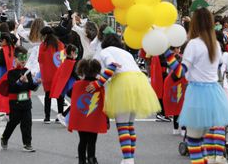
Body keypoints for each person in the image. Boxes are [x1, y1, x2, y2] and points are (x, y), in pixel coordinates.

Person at [163, 8, 228, 164]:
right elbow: (216, 66)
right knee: (211, 139)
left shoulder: (193, 44)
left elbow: (179, 73)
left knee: (194, 141)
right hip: (215, 93)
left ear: (194, 23)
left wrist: (168, 54)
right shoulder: (216, 45)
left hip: (197, 93)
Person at [86, 34, 160, 164]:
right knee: (130, 126)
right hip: (139, 82)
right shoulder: (126, 53)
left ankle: (128, 159)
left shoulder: (105, 51)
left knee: (122, 126)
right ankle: (129, 158)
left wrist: (97, 84)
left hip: (123, 83)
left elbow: (112, 66)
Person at [0, 46, 39, 153]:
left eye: (25, 58)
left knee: (27, 122)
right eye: (21, 57)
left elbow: (32, 87)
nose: (23, 60)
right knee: (13, 122)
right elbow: (12, 88)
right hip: (15, 102)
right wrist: (20, 81)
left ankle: (27, 144)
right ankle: (5, 137)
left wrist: (37, 83)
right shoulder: (11, 73)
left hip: (26, 102)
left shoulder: (27, 71)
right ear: (15, 58)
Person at [70, 59, 108, 164]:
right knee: (92, 140)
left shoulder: (77, 84)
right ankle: (91, 158)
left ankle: (81, 161)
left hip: (80, 118)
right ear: (97, 71)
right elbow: (104, 105)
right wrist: (107, 120)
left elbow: (74, 102)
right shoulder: (99, 86)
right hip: (94, 118)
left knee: (82, 140)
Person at [38, 26, 65, 124]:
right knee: (60, 96)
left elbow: (39, 59)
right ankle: (60, 116)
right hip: (58, 74)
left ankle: (47, 117)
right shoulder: (60, 44)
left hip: (47, 74)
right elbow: (63, 59)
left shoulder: (43, 46)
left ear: (45, 35)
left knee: (47, 95)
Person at [49, 44, 80, 124]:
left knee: (61, 99)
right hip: (71, 86)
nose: (76, 54)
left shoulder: (65, 62)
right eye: (75, 52)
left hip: (64, 86)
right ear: (72, 52)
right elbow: (75, 74)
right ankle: (63, 115)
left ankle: (60, 115)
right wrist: (81, 80)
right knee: (76, 101)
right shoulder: (73, 63)